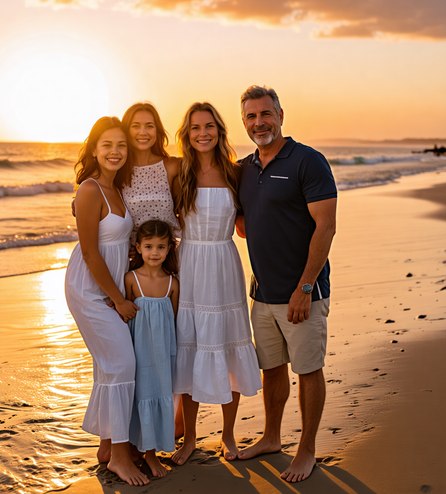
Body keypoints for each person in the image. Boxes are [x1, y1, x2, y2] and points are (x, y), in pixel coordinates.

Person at [235, 85, 337, 483]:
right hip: (262, 294)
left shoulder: (308, 161)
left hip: (303, 293)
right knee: (272, 369)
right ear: (244, 122)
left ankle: (307, 449)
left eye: (265, 114)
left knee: (308, 369)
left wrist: (305, 287)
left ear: (280, 114)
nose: (259, 122)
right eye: (250, 116)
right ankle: (272, 436)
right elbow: (243, 220)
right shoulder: (244, 169)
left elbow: (325, 227)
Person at [172, 102, 262, 465]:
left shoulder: (235, 172)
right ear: (187, 134)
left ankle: (227, 435)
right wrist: (82, 193)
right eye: (195, 128)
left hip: (224, 263)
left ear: (219, 131)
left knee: (226, 346)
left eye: (209, 126)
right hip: (190, 263)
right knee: (191, 348)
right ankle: (190, 437)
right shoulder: (179, 172)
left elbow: (258, 212)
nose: (203, 133)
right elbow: (140, 194)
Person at [65, 116, 149, 487]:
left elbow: (112, 244)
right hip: (89, 290)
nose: (115, 152)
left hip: (110, 287)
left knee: (110, 367)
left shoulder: (118, 188)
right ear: (95, 150)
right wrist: (118, 300)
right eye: (107, 145)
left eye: (121, 146)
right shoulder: (89, 190)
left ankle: (106, 447)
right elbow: (90, 254)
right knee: (121, 363)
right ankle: (118, 457)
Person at [125, 220, 179, 478]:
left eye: (161, 247)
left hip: (162, 354)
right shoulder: (131, 279)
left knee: (159, 395)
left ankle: (151, 454)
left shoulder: (172, 284)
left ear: (169, 249)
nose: (154, 252)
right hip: (139, 352)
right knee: (141, 397)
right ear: (138, 247)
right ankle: (140, 451)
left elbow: (174, 321)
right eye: (148, 246)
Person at [121, 103, 181, 245]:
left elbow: (206, 169)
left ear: (157, 130)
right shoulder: (119, 171)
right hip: (133, 255)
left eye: (149, 126)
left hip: (169, 253)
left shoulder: (171, 166)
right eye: (135, 126)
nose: (143, 132)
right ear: (126, 130)